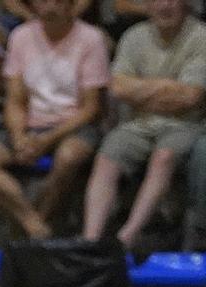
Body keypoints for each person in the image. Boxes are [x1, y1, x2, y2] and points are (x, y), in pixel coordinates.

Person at [0, 0, 107, 241]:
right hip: (31, 123)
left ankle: (31, 230)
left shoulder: (91, 38)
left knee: (69, 157)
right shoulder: (21, 36)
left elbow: (91, 108)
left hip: (73, 124)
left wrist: (46, 139)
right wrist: (19, 136)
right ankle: (34, 226)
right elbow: (15, 100)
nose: (49, 5)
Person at [80, 0, 206, 255]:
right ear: (147, 6)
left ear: (186, 5)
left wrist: (140, 89)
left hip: (185, 123)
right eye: (158, 0)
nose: (165, 6)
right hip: (137, 124)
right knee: (108, 155)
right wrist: (169, 88)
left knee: (164, 156)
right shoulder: (133, 36)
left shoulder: (201, 36)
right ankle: (89, 241)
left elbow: (191, 97)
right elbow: (117, 87)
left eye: (172, 0)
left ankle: (126, 237)